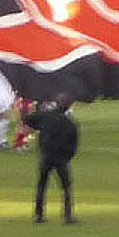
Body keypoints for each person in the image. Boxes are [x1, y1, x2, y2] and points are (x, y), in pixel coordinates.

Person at [23, 94, 79, 225]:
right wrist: (67, 156)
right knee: (66, 186)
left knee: (42, 184)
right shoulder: (70, 123)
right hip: (61, 157)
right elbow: (73, 145)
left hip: (46, 155)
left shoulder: (45, 117)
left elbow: (27, 119)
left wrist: (28, 109)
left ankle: (39, 214)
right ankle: (67, 215)